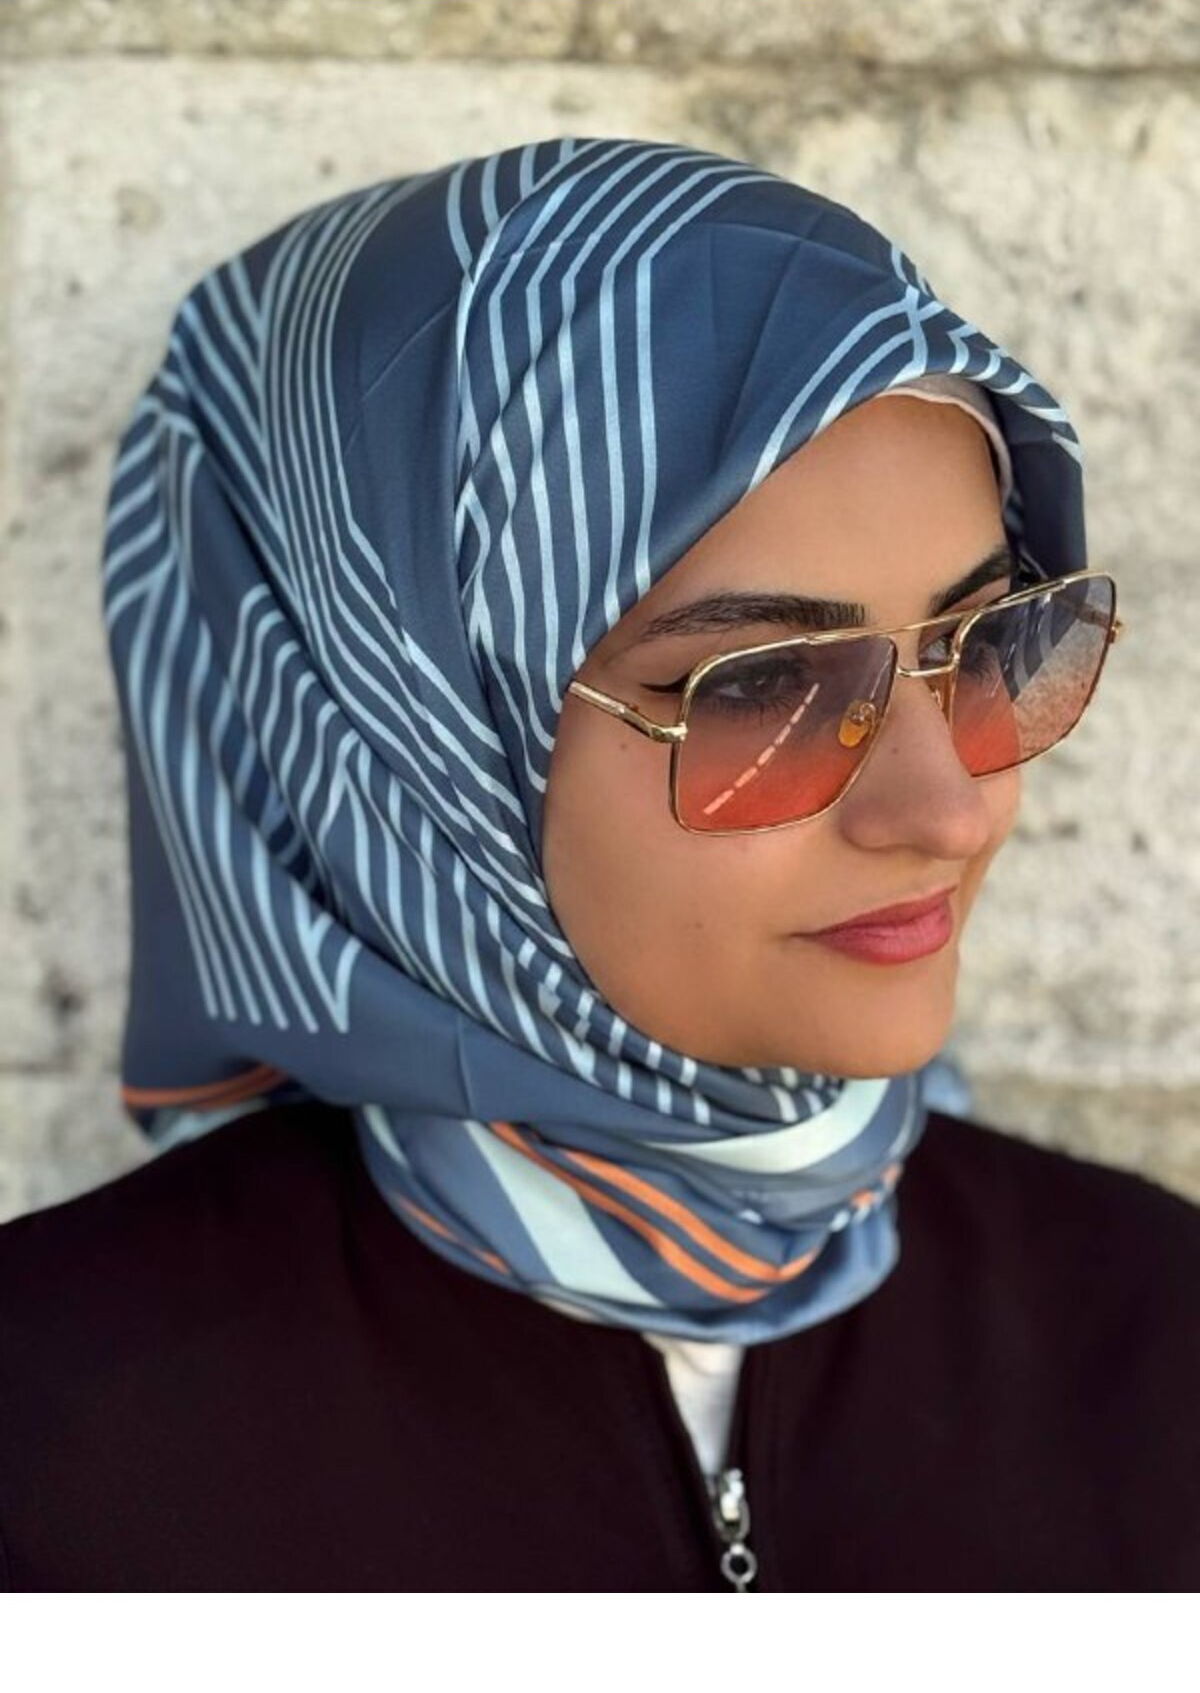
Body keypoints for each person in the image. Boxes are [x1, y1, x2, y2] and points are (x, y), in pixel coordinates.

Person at [0, 137, 1195, 1593]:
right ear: (404, 735)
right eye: (764, 685)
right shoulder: (65, 1445)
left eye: (983, 641)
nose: (947, 811)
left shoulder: (1150, 1337)